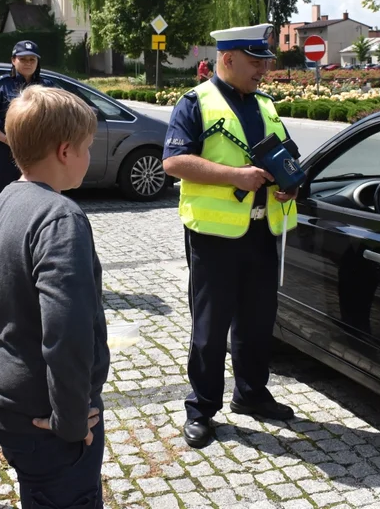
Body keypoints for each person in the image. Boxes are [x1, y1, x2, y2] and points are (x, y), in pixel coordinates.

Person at [0, 86, 109, 509]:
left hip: (0, 397)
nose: (89, 155)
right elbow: (67, 331)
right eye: (87, 147)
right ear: (65, 151)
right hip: (46, 417)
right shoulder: (60, 217)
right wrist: (69, 422)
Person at [162, 23, 299, 449]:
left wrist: (292, 182)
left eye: (265, 62)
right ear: (228, 59)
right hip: (215, 237)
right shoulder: (194, 104)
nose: (263, 69)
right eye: (256, 61)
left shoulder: (265, 104)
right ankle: (201, 408)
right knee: (210, 327)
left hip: (263, 231)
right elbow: (174, 162)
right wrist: (235, 177)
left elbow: (287, 153)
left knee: (258, 322)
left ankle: (251, 394)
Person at [0, 40, 56, 197]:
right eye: (23, 59)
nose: (28, 63)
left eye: (32, 59)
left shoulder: (47, 86)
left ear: (37, 62)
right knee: (3, 198)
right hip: (5, 151)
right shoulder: (1, 85)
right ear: (13, 60)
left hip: (36, 151)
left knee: (35, 197)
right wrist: (8, 140)